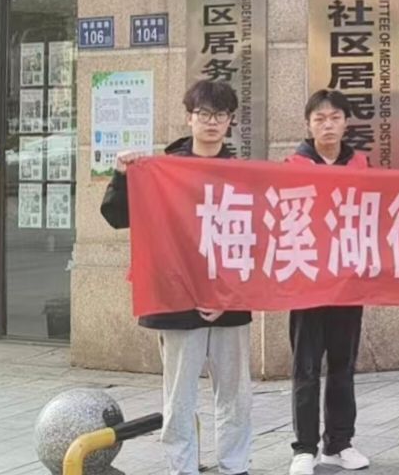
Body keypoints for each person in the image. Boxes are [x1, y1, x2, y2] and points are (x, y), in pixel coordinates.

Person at [100, 80, 252, 475]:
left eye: (221, 114)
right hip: (177, 300)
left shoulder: (242, 174)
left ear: (230, 121)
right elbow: (117, 217)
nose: (212, 122)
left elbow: (256, 239)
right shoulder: (162, 171)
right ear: (189, 118)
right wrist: (122, 176)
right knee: (179, 398)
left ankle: (235, 466)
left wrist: (227, 295)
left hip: (229, 301)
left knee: (235, 395)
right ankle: (181, 468)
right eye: (204, 114)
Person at [285, 90, 370, 474]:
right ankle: (304, 448)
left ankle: (339, 443)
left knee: (342, 365)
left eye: (335, 118)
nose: (328, 125)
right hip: (306, 281)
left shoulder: (361, 164)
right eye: (319, 119)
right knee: (306, 367)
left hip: (347, 282)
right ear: (308, 125)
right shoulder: (292, 166)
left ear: (346, 122)